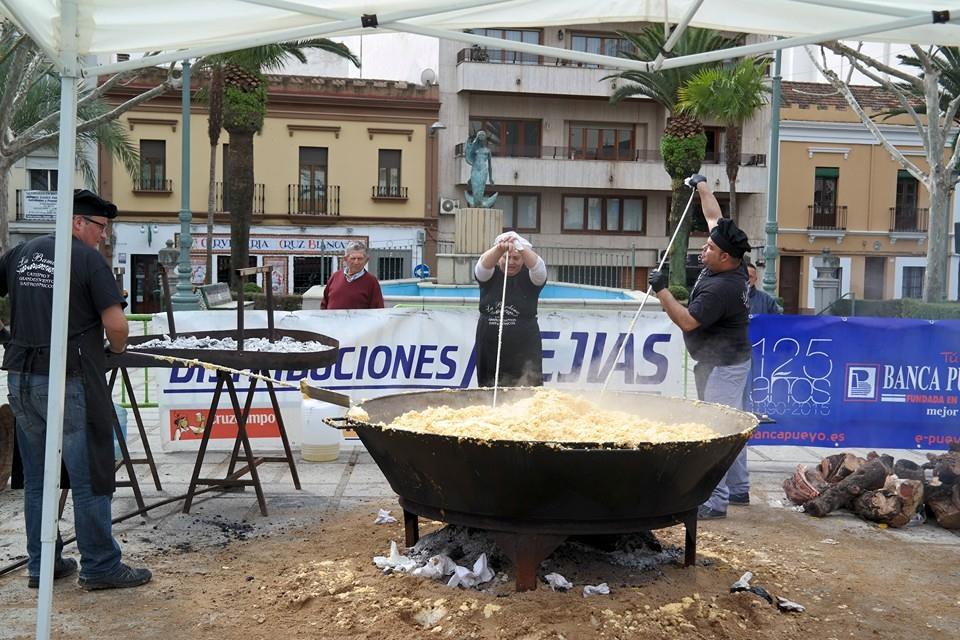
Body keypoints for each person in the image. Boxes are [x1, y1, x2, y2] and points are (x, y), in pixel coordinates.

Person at [0, 189, 152, 590]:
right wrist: (116, 350)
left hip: (21, 377)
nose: (104, 236)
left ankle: (41, 562)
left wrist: (7, 336)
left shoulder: (22, 253)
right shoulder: (86, 259)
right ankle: (100, 565)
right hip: (69, 378)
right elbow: (117, 326)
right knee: (89, 477)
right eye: (100, 227)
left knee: (38, 478)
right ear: (77, 222)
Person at [648, 174, 752, 520]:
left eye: (709, 249)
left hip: (724, 366)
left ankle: (716, 500)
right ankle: (739, 488)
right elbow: (713, 217)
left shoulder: (721, 290)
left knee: (717, 432)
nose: (703, 250)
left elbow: (688, 322)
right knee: (734, 427)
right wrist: (703, 187)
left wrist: (662, 291)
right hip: (722, 362)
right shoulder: (724, 257)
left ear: (726, 258)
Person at [474, 231, 547, 387]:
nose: (510, 262)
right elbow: (482, 265)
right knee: (487, 386)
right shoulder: (489, 275)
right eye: (506, 257)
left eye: (515, 258)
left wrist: (520, 247)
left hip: (524, 344)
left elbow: (539, 268)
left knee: (528, 386)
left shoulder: (532, 277)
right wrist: (500, 248)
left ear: (523, 259)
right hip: (489, 343)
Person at [320, 241, 384, 310]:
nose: (356, 262)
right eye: (353, 258)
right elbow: (324, 303)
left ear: (366, 260)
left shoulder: (372, 282)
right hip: (332, 320)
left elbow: (378, 310)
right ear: (346, 259)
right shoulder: (335, 276)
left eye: (360, 259)